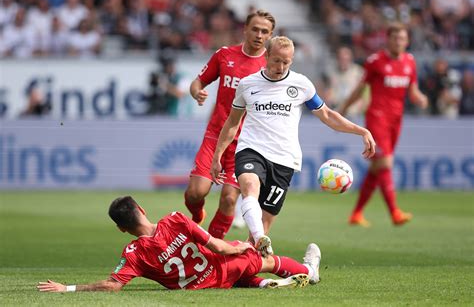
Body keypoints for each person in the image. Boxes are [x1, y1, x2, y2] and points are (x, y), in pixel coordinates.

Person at [210, 36, 376, 257]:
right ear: (266, 55)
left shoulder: (301, 84)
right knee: (249, 186)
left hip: (284, 160)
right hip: (252, 149)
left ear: (292, 60)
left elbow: (327, 115)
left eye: (286, 62)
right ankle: (260, 238)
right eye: (276, 60)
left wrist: (361, 131)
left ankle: (252, 251)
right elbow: (232, 123)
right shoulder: (247, 84)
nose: (280, 67)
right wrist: (217, 155)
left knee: (259, 232)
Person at [37, 196, 321, 292]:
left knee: (240, 270)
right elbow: (218, 247)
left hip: (199, 285)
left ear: (122, 229)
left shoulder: (133, 252)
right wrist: (243, 247)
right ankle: (309, 271)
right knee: (262, 258)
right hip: (219, 269)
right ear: (142, 209)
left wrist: (68, 288)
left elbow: (113, 285)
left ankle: (257, 284)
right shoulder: (175, 219)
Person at [184, 10, 275, 239]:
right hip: (216, 135)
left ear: (270, 36)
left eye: (265, 31)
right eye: (255, 29)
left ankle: (212, 249)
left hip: (245, 142)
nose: (259, 35)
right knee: (196, 192)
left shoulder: (271, 67)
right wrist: (197, 93)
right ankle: (197, 214)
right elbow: (198, 82)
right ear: (245, 29)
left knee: (229, 198)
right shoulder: (225, 55)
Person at [339, 22, 428, 227]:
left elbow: (412, 90)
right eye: (395, 38)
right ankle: (395, 212)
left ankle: (357, 214)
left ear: (407, 41)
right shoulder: (376, 61)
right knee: (386, 163)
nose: (399, 42)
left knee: (377, 167)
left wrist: (420, 98)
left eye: (403, 38)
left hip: (396, 120)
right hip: (377, 118)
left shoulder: (410, 62)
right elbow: (360, 89)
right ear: (388, 39)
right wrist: (343, 108)